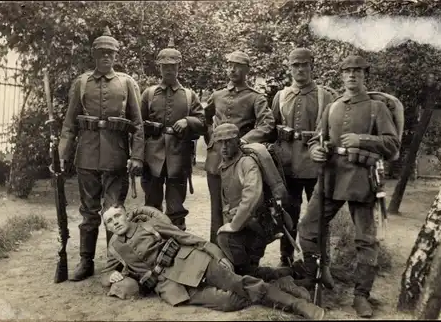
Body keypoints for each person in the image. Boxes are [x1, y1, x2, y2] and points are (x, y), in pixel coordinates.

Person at [296, 55, 400, 317]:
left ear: (365, 76)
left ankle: (361, 295)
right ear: (341, 76)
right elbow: (317, 138)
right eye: (347, 72)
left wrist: (362, 139)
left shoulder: (377, 108)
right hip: (330, 176)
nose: (352, 76)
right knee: (308, 227)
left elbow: (392, 145)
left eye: (358, 71)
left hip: (361, 178)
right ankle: (314, 279)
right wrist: (315, 150)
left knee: (365, 239)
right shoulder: (332, 106)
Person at [100, 205, 325, 319]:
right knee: (228, 302)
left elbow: (186, 237)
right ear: (108, 227)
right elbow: (105, 275)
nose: (115, 222)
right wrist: (110, 277)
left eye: (117, 216)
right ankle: (276, 284)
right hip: (174, 288)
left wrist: (217, 254)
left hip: (194, 262)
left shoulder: (149, 225)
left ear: (126, 214)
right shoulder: (115, 248)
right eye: (109, 221)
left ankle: (298, 305)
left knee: (242, 285)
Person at [58, 26, 145, 281]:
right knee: (88, 211)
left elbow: (138, 125)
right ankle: (86, 261)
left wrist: (137, 156)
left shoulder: (127, 83)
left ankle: (114, 261)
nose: (106, 57)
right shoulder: (82, 82)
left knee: (114, 210)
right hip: (86, 155)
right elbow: (69, 123)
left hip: (116, 156)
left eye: (111, 53)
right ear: (94, 55)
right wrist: (63, 153)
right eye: (101, 53)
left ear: (116, 56)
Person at [271, 48, 336, 288]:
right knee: (288, 215)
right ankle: (286, 260)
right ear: (289, 67)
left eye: (304, 65)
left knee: (318, 218)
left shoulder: (325, 96)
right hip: (287, 165)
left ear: (312, 66)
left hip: (316, 164)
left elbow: (334, 130)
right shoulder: (281, 96)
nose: (300, 69)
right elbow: (272, 127)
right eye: (295, 65)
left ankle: (319, 265)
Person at [204, 50, 275, 244]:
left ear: (247, 70)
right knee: (216, 210)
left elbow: (267, 124)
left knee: (237, 208)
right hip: (215, 160)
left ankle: (238, 256)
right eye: (230, 65)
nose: (232, 69)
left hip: (238, 161)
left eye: (238, 66)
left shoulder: (255, 98)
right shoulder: (217, 95)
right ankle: (215, 254)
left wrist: (244, 141)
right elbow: (205, 118)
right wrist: (211, 137)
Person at [212, 123, 292, 282]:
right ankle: (258, 272)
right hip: (247, 224)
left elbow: (253, 196)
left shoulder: (246, 163)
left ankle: (278, 274)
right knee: (241, 267)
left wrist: (234, 225)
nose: (224, 146)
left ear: (237, 141)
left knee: (225, 238)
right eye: (220, 142)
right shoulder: (226, 163)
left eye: (228, 141)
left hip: (258, 225)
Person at [140, 38, 205, 231]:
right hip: (152, 157)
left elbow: (202, 123)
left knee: (176, 208)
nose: (168, 70)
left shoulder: (189, 95)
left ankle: (177, 248)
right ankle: (151, 246)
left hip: (179, 157)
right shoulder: (149, 94)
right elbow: (137, 126)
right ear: (159, 68)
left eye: (172, 66)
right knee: (151, 206)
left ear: (179, 67)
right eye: (164, 66)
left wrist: (188, 121)